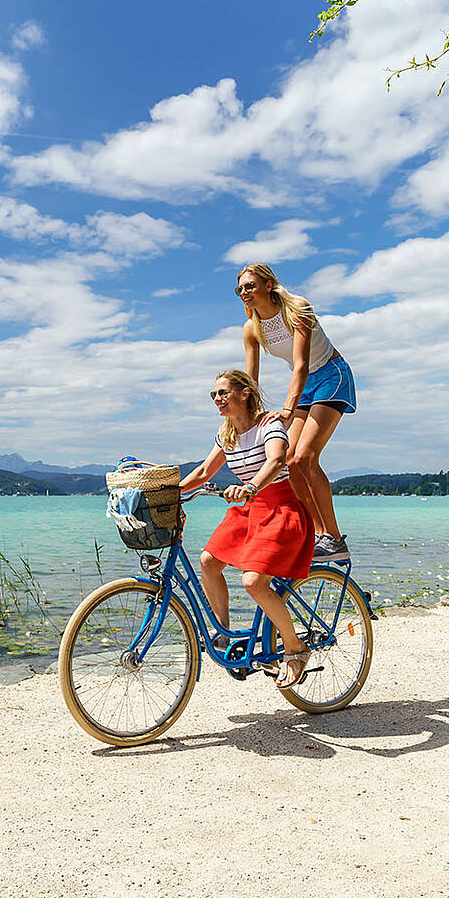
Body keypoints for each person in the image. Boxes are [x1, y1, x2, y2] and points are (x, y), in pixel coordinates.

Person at [179, 369, 314, 689]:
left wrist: (251, 486)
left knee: (253, 582)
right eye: (214, 395)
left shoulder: (269, 424)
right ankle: (223, 633)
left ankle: (295, 649)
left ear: (245, 393)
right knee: (209, 561)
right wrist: (170, 494)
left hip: (281, 507)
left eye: (223, 392)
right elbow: (202, 472)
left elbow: (277, 460)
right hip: (250, 508)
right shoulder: (227, 433)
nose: (217, 399)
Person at [236, 261, 356, 562]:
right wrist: (246, 416)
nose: (243, 292)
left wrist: (287, 410)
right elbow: (251, 379)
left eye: (249, 286)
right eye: (239, 289)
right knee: (289, 460)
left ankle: (335, 537)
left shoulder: (297, 308)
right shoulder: (252, 328)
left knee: (304, 456)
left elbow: (301, 364)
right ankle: (320, 536)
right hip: (305, 386)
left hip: (330, 375)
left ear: (268, 284)